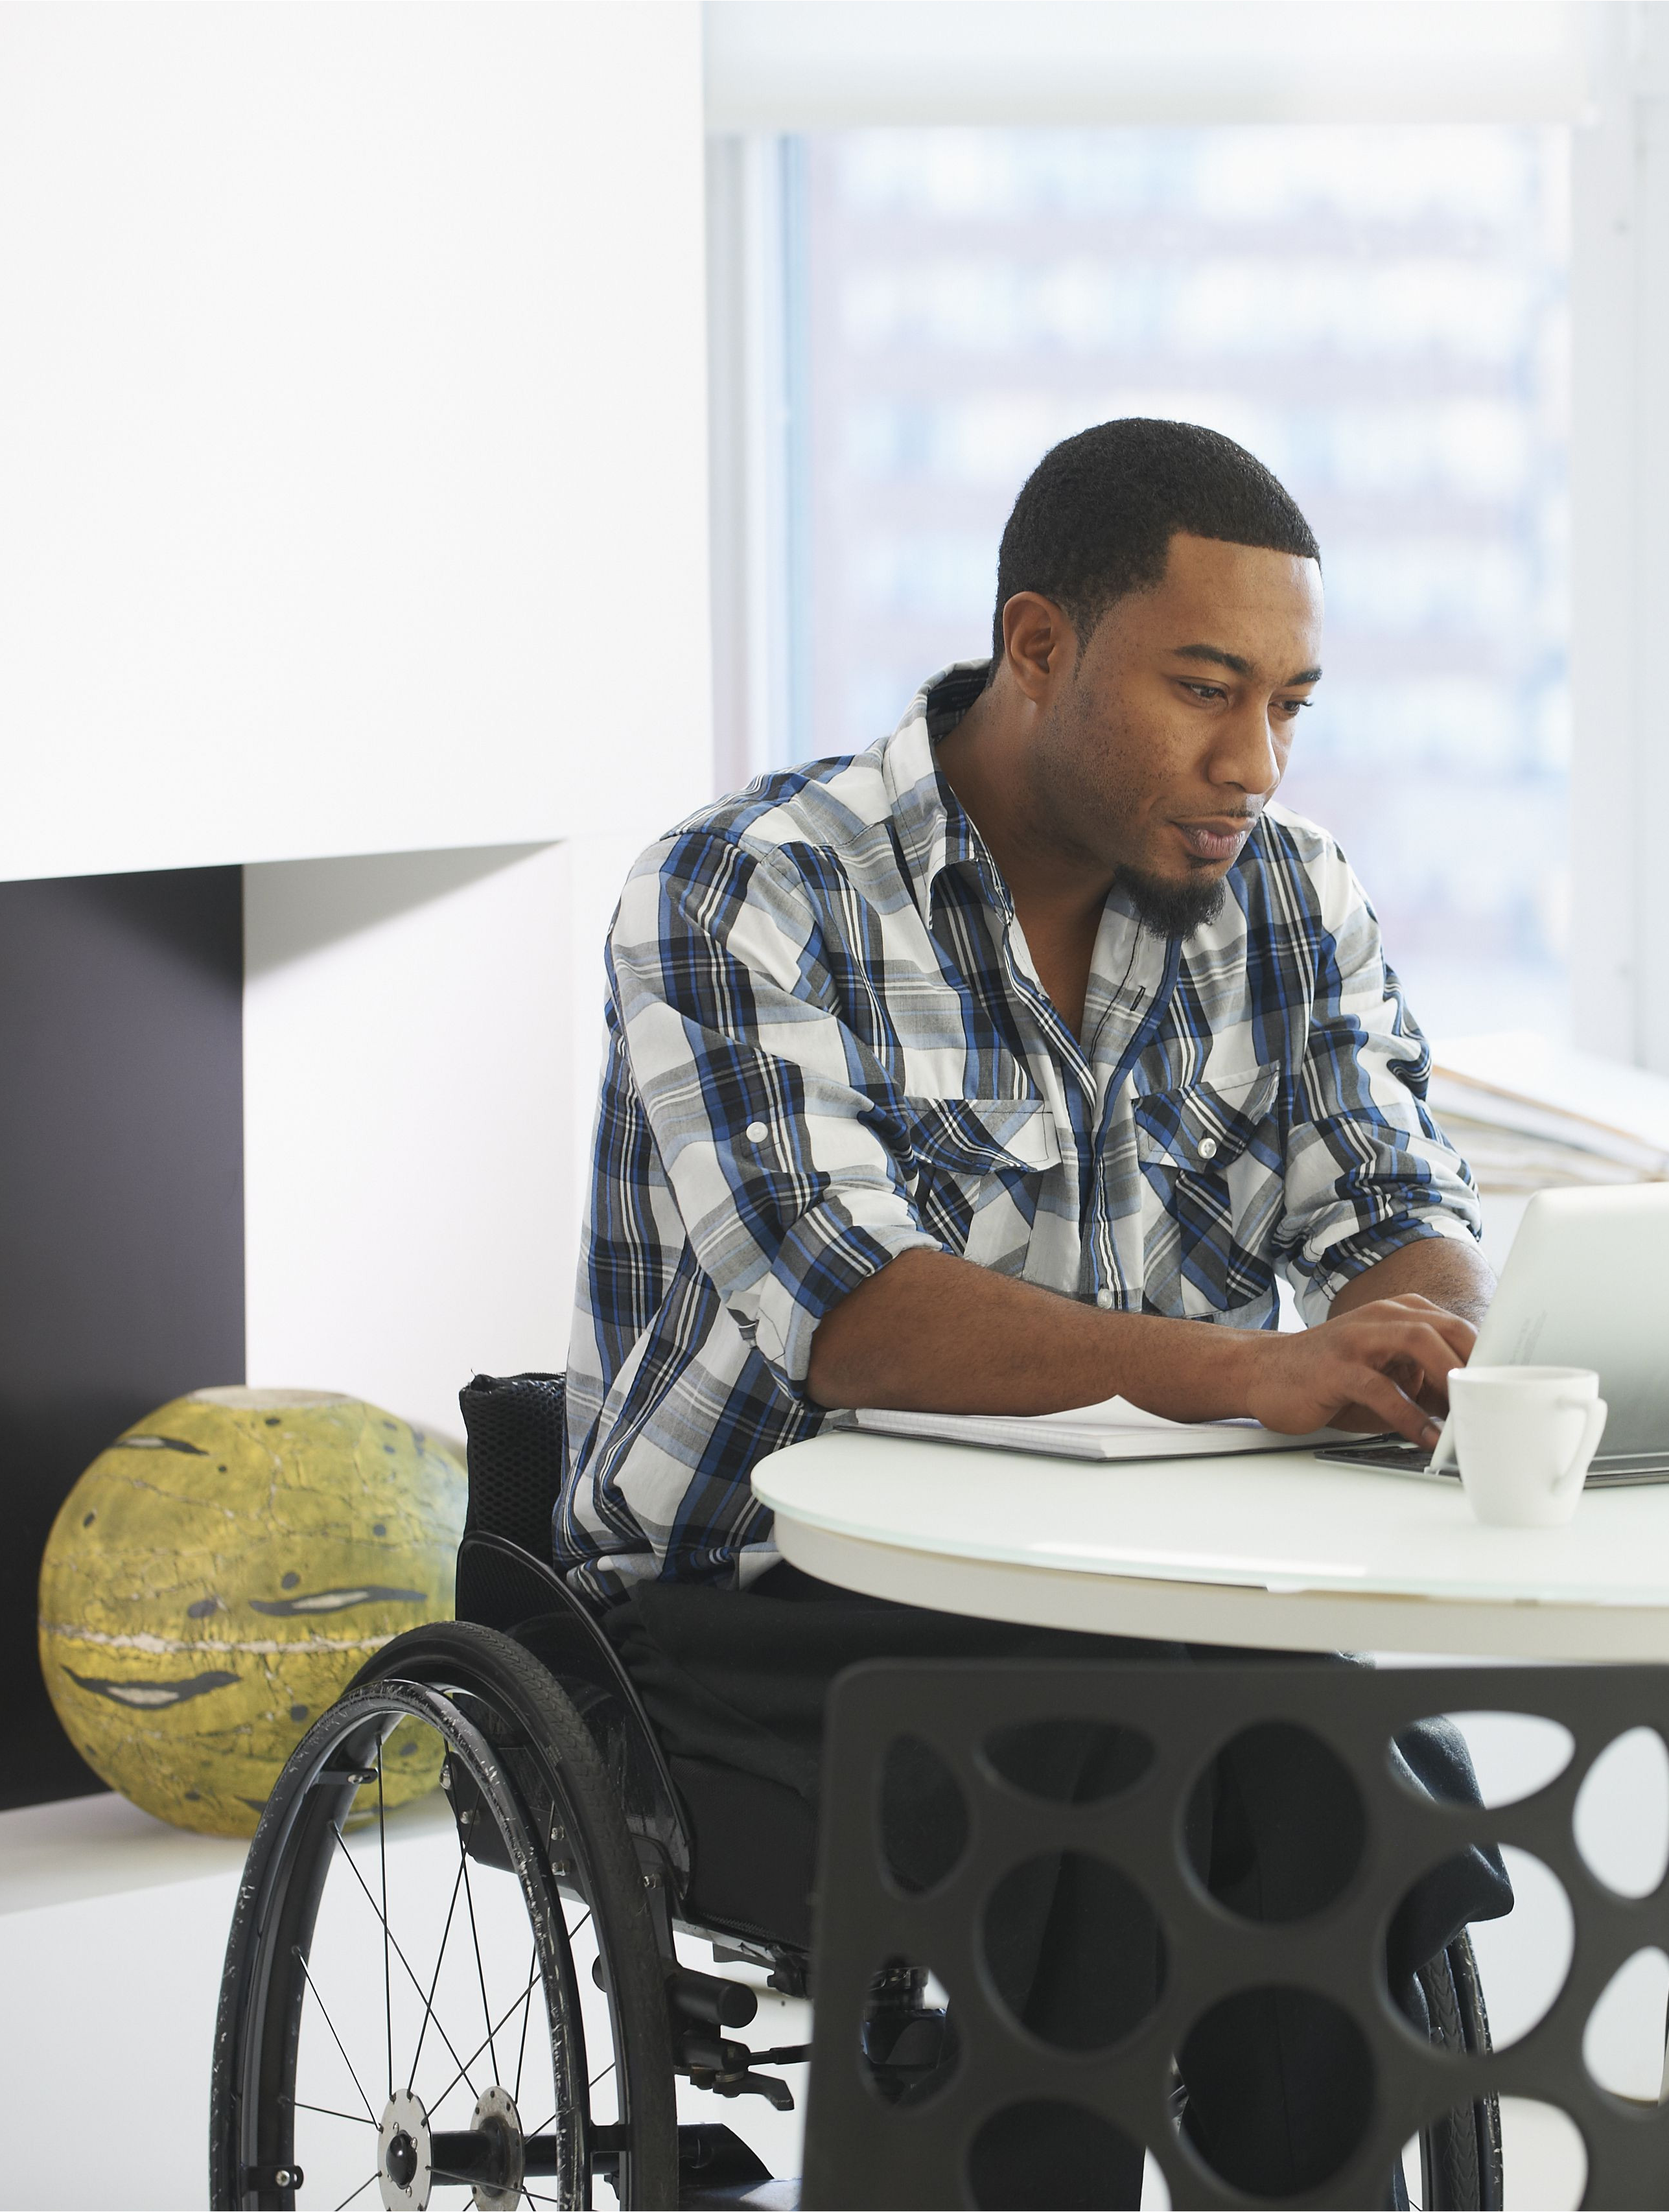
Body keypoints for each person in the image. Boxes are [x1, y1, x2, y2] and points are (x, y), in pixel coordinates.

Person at [560, 418, 1510, 2204]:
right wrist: (1254, 1369)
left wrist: (1419, 1331)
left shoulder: (1288, 902)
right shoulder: (747, 893)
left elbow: (1402, 1205)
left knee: (1313, 1740)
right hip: (762, 1604)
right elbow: (846, 1311)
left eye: (1293, 705)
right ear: (1040, 646)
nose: (1253, 762)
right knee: (1120, 1741)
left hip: (1144, 1590)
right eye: (1206, 690)